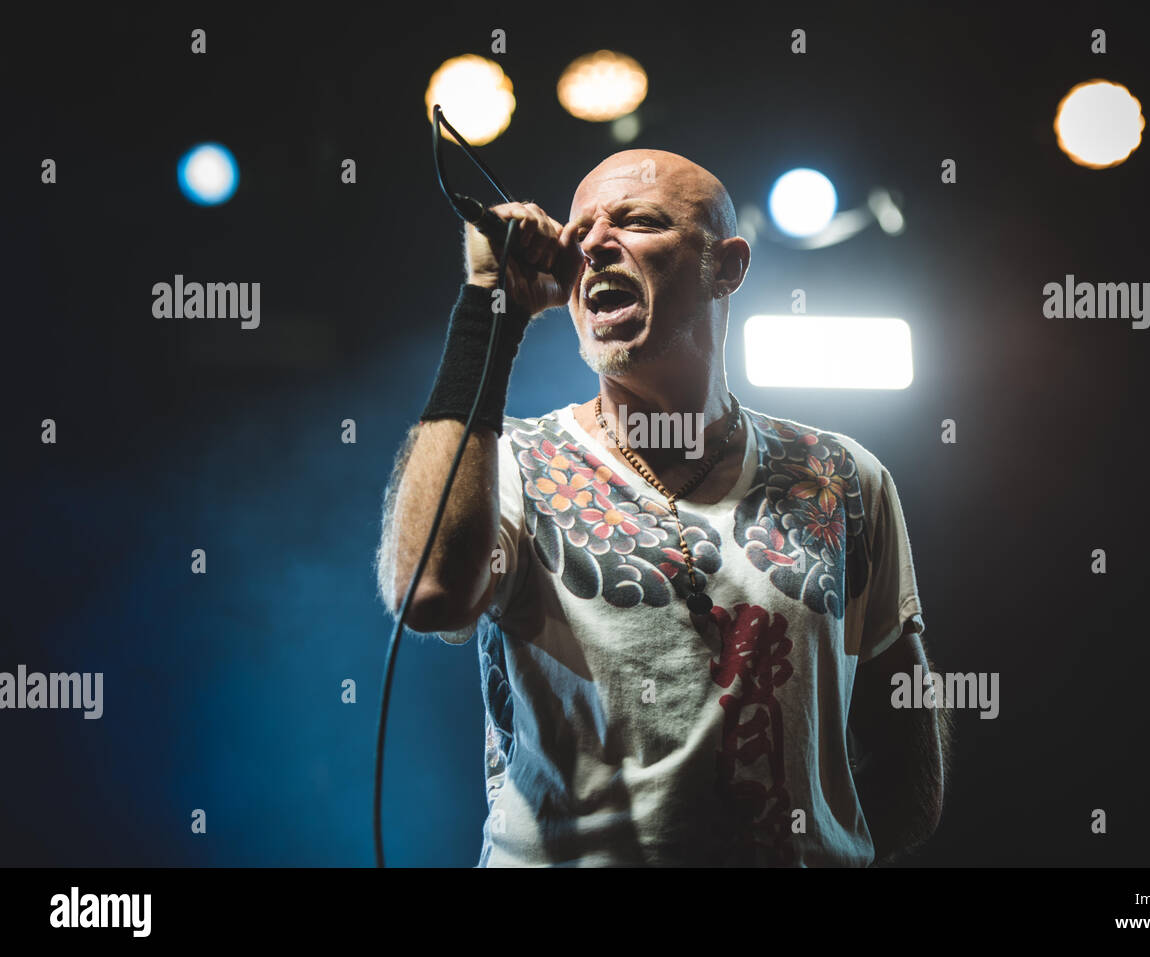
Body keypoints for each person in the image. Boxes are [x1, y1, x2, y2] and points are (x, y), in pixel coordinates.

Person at [376, 148, 949, 866]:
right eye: (579, 231)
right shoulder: (511, 463)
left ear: (727, 264)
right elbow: (429, 593)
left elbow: (908, 765)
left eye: (636, 221)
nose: (591, 244)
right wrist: (489, 309)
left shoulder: (840, 476)